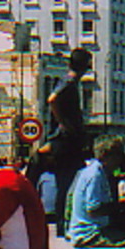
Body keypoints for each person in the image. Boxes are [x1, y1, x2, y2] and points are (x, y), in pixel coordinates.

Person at [38, 47, 92, 226]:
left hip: (69, 138)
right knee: (67, 182)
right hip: (66, 140)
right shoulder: (69, 82)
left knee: (69, 181)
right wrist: (64, 124)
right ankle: (63, 222)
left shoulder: (71, 82)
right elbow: (52, 99)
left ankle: (66, 220)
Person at [66, 135, 125, 248]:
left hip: (94, 230)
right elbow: (93, 210)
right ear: (106, 155)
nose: (120, 159)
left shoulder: (96, 171)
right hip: (89, 235)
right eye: (118, 154)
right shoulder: (95, 175)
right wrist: (122, 204)